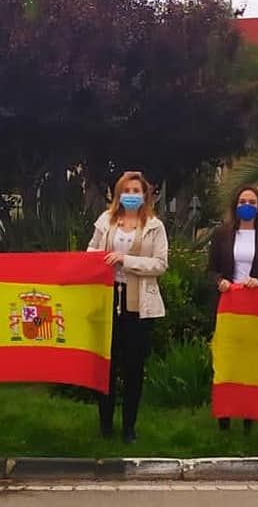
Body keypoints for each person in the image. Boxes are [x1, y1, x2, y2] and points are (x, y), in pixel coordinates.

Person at [87, 171, 168, 443]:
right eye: (127, 190)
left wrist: (127, 260)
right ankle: (105, 425)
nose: (131, 195)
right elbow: (91, 253)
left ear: (145, 195)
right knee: (106, 366)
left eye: (137, 190)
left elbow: (160, 264)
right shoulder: (105, 221)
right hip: (107, 301)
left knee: (133, 369)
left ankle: (129, 427)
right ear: (117, 194)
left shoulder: (154, 226)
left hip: (138, 306)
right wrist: (99, 260)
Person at [208, 185, 258, 433]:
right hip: (229, 305)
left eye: (252, 202)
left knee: (251, 361)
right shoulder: (222, 234)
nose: (247, 206)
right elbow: (210, 270)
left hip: (256, 306)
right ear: (235, 205)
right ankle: (225, 417)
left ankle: (249, 418)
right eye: (243, 201)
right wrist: (220, 281)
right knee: (228, 359)